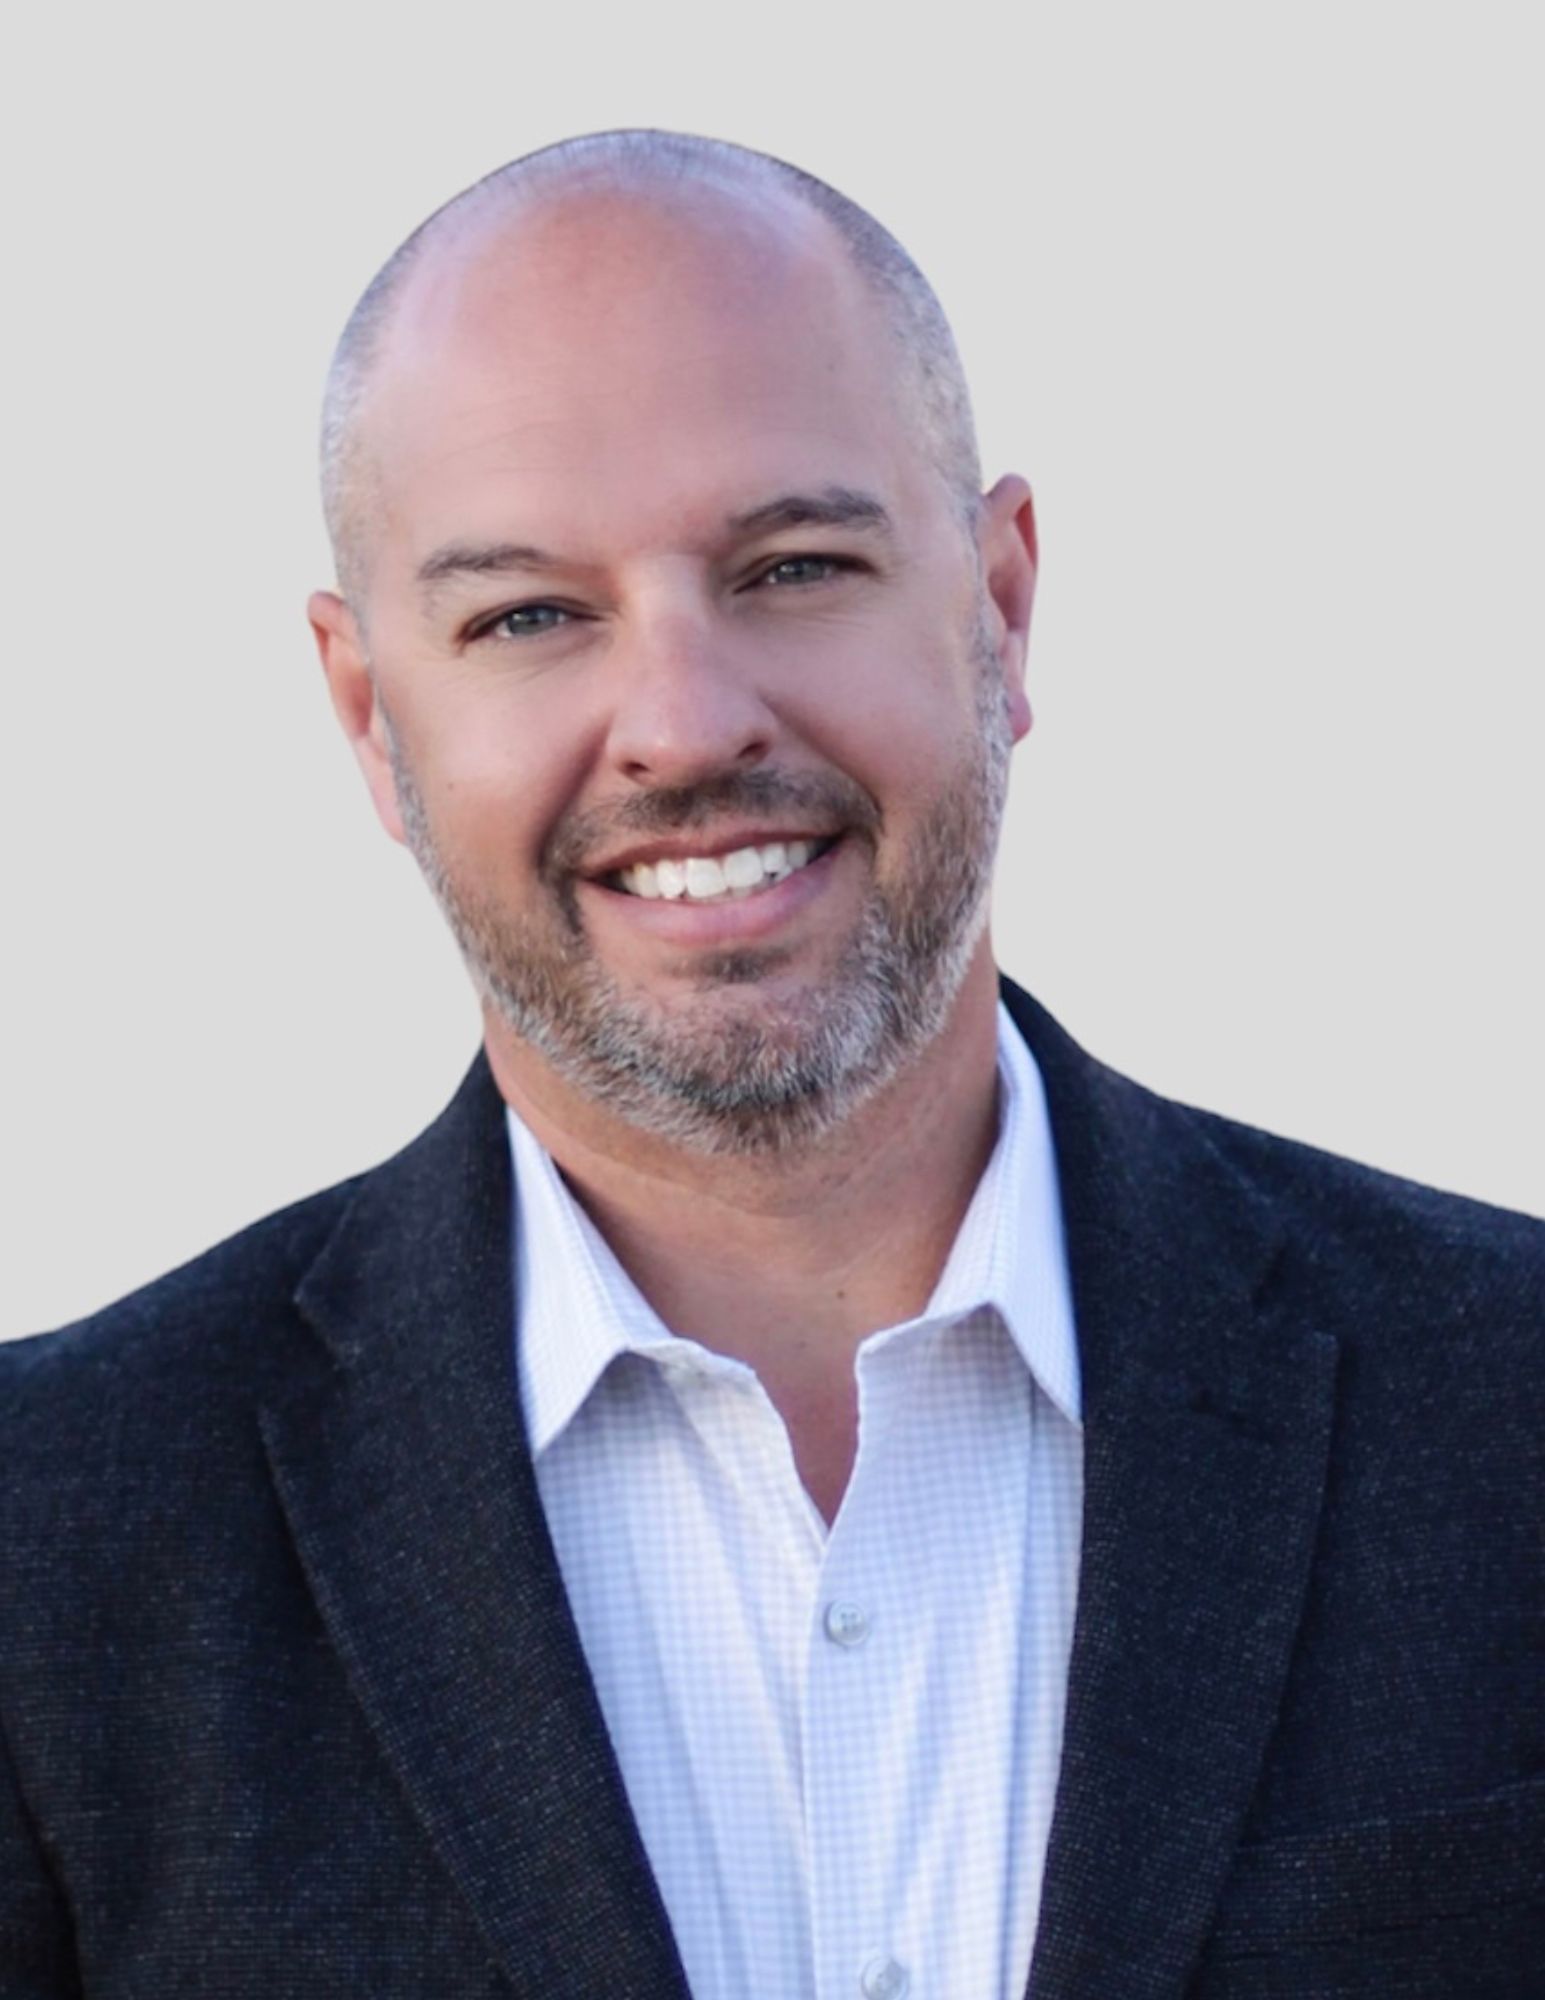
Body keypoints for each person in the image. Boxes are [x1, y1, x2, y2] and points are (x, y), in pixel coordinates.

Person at [1, 130, 1540, 2000]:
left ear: (999, 603)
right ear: (368, 717)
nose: (684, 722)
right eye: (528, 617)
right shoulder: (48, 1550)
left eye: (794, 566)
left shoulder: (1506, 1405)